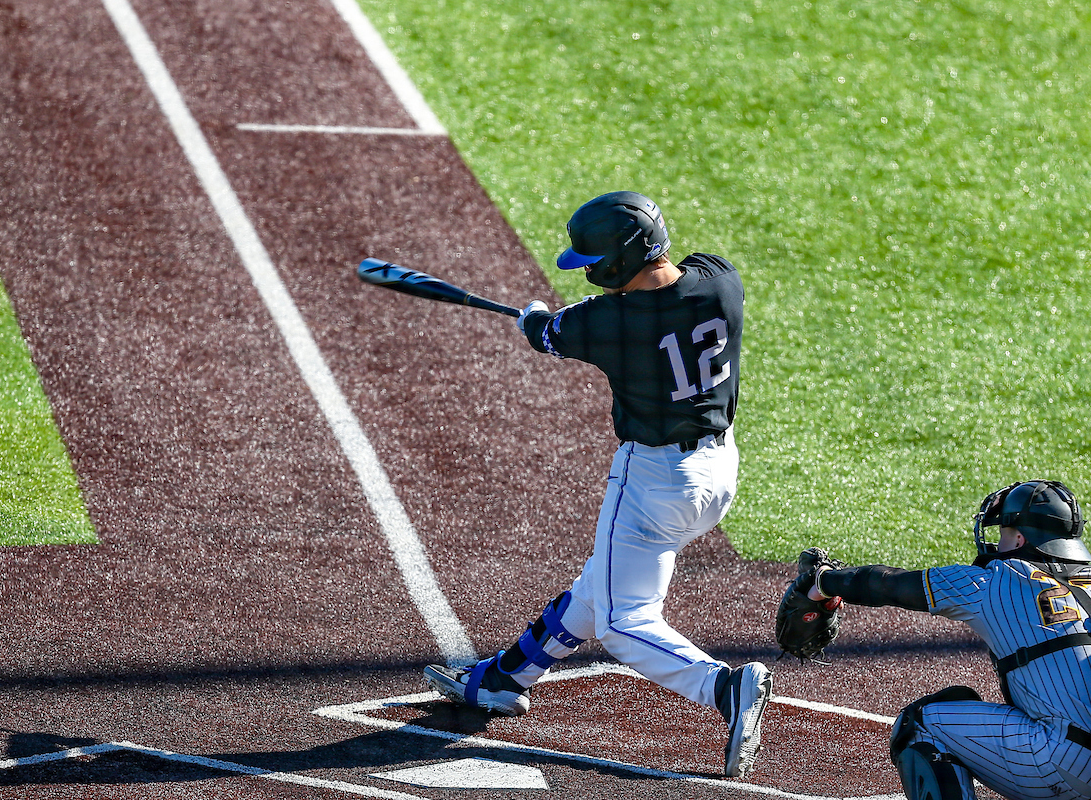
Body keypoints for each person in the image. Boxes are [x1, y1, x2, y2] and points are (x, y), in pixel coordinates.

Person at [423, 191, 771, 778]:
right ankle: (503, 679)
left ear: (616, 261)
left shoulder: (607, 322)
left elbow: (546, 333)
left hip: (654, 479)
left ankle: (724, 689)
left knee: (622, 618)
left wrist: (535, 315)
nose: (587, 271)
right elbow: (657, 297)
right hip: (720, 474)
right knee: (601, 584)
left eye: (592, 262)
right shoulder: (720, 280)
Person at [803, 479, 1091, 800]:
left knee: (921, 724)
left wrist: (822, 580)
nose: (996, 545)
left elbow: (888, 584)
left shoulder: (997, 579)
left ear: (1019, 537)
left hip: (1063, 766)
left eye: (1003, 536)